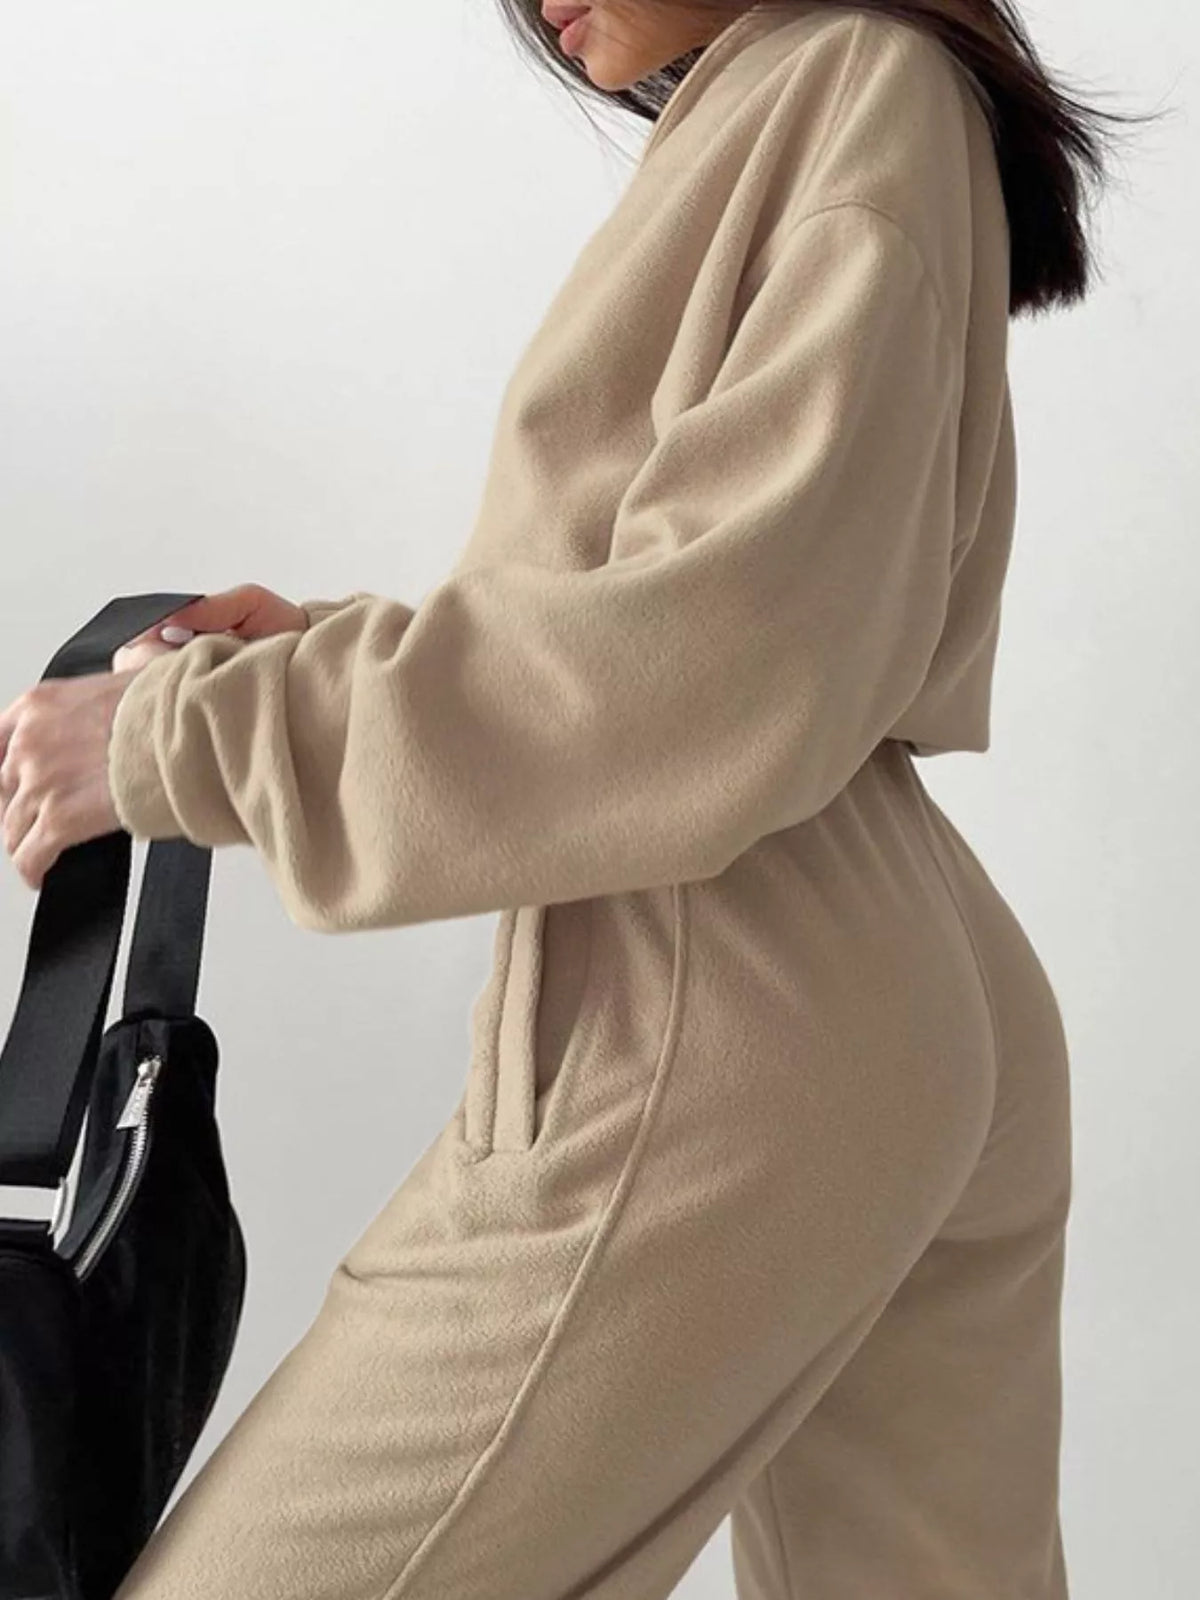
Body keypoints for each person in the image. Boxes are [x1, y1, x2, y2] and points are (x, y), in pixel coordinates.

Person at [0, 2, 1146, 1595]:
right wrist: (320, 657)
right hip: (869, 976)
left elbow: (725, 654)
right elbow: (687, 616)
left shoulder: (849, 82)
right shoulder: (837, 100)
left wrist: (182, 741)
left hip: (727, 995)